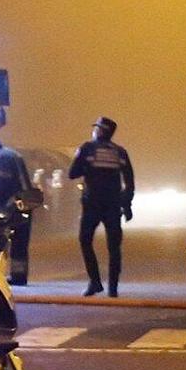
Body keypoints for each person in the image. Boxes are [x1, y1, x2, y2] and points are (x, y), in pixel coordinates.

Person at [69, 116, 135, 297]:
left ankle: (95, 281)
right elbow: (129, 181)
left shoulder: (87, 148)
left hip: (92, 204)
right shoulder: (120, 152)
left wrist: (87, 168)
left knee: (85, 240)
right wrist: (127, 205)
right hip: (113, 205)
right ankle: (113, 288)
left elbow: (72, 173)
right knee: (114, 247)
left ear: (100, 131)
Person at [0, 138, 38, 285]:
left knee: (14, 239)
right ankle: (19, 275)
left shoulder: (2, 158)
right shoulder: (9, 154)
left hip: (16, 203)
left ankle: (16, 277)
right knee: (21, 240)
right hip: (24, 201)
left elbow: (2, 183)